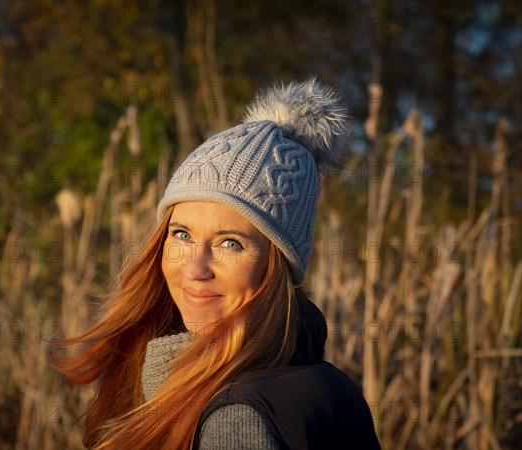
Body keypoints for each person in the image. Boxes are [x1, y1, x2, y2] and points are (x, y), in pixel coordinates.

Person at [51, 78, 381, 449]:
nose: (194, 268)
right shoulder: (335, 388)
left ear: (277, 266)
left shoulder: (235, 419)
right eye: (182, 235)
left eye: (230, 243)